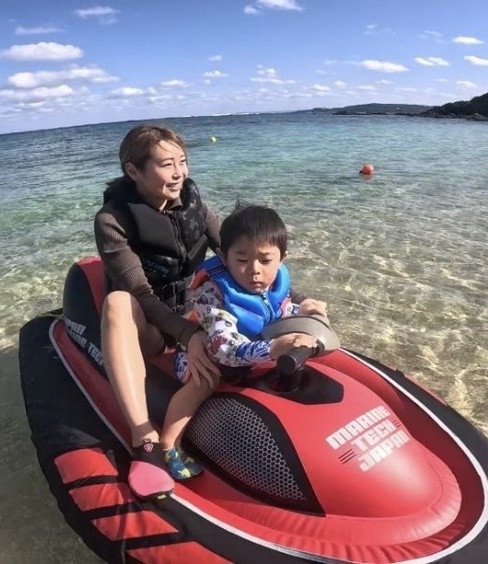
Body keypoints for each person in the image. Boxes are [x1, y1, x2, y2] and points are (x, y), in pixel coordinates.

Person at [94, 125, 222, 499]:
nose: (179, 173)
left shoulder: (194, 205)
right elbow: (142, 295)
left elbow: (237, 252)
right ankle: (144, 439)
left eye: (183, 161)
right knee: (118, 302)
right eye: (167, 165)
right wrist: (189, 335)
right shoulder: (112, 221)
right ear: (133, 171)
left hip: (191, 316)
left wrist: (294, 299)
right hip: (148, 329)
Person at [159, 204, 328, 480]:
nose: (254, 271)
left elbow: (276, 313)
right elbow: (226, 349)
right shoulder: (212, 295)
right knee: (205, 380)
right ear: (224, 258)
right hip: (204, 356)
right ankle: (168, 446)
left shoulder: (273, 286)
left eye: (265, 260)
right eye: (242, 259)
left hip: (252, 350)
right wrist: (273, 349)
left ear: (282, 259)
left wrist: (303, 311)